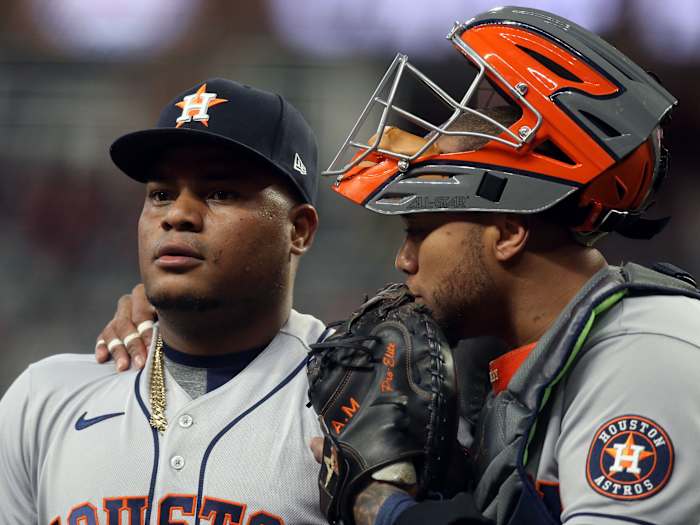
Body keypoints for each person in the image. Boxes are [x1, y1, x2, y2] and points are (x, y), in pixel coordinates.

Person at [93, 7, 700, 525]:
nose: (402, 258)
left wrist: (387, 511)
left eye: (419, 230)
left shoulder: (645, 356)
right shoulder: (529, 368)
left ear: (510, 231)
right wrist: (175, 309)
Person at [0, 78, 328, 524]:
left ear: (299, 230)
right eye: (160, 195)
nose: (177, 215)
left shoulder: (348, 403)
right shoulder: (44, 399)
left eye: (220, 192)